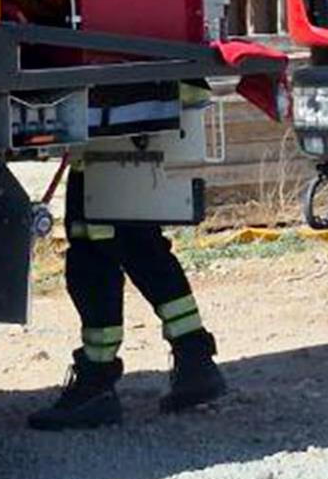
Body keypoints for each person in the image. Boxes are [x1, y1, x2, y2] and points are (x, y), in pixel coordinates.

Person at [29, 98, 227, 430]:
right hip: (135, 111)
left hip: (110, 115)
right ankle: (194, 358)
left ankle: (96, 381)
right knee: (139, 242)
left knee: (94, 249)